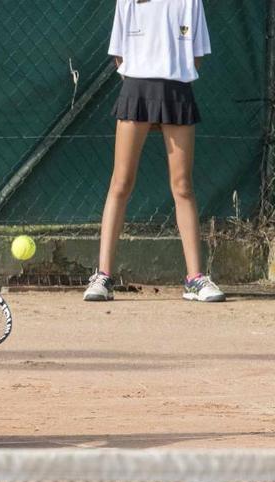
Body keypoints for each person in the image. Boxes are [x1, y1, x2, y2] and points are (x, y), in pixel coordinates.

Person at [84, 0, 225, 303]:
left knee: (183, 186)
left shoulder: (190, 2)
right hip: (135, 91)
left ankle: (195, 279)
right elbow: (119, 57)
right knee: (120, 183)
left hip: (178, 94)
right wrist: (147, 96)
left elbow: (195, 58)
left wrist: (168, 86)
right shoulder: (129, 1)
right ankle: (103, 277)